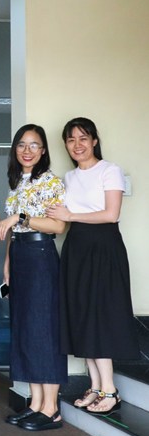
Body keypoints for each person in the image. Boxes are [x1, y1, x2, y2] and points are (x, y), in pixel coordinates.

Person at [47, 117, 139, 415]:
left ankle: (110, 390)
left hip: (103, 247)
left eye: (83, 138)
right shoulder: (69, 177)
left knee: (100, 315)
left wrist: (71, 215)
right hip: (77, 247)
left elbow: (111, 214)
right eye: (71, 139)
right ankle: (96, 387)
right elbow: (61, 216)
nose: (77, 145)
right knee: (83, 315)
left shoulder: (109, 170)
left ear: (94, 141)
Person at [0, 124, 67, 431]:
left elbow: (58, 226)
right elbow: (13, 230)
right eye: (22, 145)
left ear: (43, 150)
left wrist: (21, 217)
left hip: (40, 256)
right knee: (26, 329)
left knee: (43, 329)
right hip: (21, 255)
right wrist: (7, 264)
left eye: (34, 145)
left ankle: (51, 408)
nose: (27, 150)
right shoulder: (16, 182)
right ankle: (36, 403)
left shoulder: (50, 181)